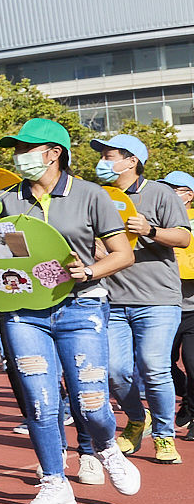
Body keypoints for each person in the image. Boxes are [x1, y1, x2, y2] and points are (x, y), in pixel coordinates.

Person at [0, 118, 142, 504]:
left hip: (82, 307)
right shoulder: (6, 200)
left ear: (54, 153)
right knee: (40, 403)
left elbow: (124, 254)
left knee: (91, 403)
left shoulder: (92, 195)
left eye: (26, 149)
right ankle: (54, 481)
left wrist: (89, 271)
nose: (19, 156)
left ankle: (106, 447)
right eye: (16, 149)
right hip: (23, 313)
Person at [93, 134, 192, 464]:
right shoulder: (101, 196)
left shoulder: (160, 193)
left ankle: (164, 436)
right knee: (114, 371)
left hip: (158, 299)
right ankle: (138, 420)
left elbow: (182, 236)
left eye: (109, 156)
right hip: (114, 298)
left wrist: (150, 230)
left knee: (153, 364)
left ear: (131, 160)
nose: (103, 163)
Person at [164, 170, 194, 433]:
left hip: (193, 307)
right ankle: (185, 394)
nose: (168, 193)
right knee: (161, 362)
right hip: (165, 303)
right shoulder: (158, 221)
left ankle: (193, 412)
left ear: (188, 195)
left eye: (174, 189)